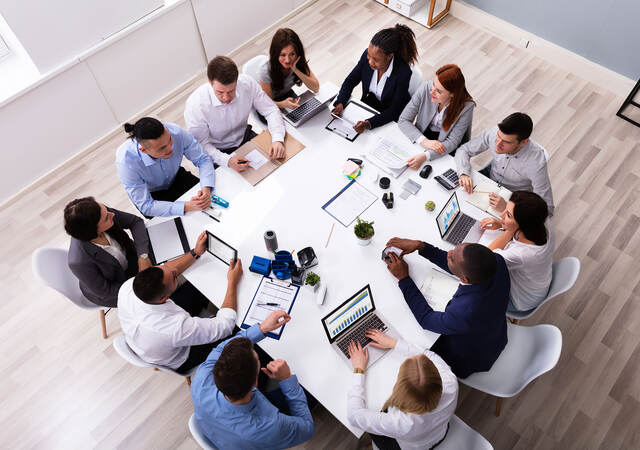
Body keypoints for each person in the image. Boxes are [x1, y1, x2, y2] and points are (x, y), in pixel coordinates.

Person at [384, 238, 510, 378]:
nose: (449, 252)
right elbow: (460, 268)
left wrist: (404, 278)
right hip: (495, 333)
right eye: (455, 249)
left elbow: (426, 319)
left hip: (472, 358)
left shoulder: (465, 312)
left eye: (452, 258)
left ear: (465, 280)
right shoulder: (496, 261)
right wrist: (422, 246)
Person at [117, 231, 242, 372]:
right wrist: (232, 282)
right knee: (238, 329)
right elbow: (225, 326)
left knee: (197, 285)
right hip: (183, 355)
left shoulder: (128, 286)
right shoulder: (174, 328)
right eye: (174, 277)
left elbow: (170, 269)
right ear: (164, 298)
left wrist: (195, 252)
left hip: (150, 339)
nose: (174, 271)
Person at [190, 310, 315, 449]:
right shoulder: (270, 427)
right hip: (257, 428)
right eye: (258, 361)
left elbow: (221, 349)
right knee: (312, 390)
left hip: (223, 428)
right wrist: (287, 380)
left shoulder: (201, 378)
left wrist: (262, 328)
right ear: (255, 383)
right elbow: (307, 428)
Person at [347, 330, 458, 450]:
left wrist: (359, 369)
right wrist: (393, 343)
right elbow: (428, 355)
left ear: (400, 389)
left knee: (374, 429)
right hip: (440, 434)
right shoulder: (450, 382)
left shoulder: (401, 423)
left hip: (410, 446)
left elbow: (354, 416)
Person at [184, 55, 286, 173]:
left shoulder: (247, 83)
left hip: (245, 136)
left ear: (237, 80)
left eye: (231, 91)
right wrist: (227, 160)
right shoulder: (195, 105)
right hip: (217, 150)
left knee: (278, 168)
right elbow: (201, 143)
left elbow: (270, 110)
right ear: (210, 82)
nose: (226, 98)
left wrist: (277, 138)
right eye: (220, 92)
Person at [455, 112, 555, 215]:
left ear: (524, 142)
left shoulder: (536, 162)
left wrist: (507, 207)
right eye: (499, 137)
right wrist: (464, 173)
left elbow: (547, 208)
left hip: (513, 195)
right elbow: (463, 150)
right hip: (490, 177)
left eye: (506, 142)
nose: (497, 144)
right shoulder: (496, 132)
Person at [115, 117, 215, 217]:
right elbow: (146, 206)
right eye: (162, 148)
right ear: (144, 150)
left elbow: (203, 160)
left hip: (177, 177)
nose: (170, 148)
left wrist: (206, 188)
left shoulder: (176, 132)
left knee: (212, 202)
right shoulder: (126, 163)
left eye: (170, 140)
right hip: (153, 195)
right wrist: (187, 206)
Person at [64, 197, 151, 308]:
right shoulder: (78, 262)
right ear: (93, 230)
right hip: (118, 288)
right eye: (106, 218)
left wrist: (143, 256)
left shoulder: (101, 212)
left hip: (134, 261)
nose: (112, 214)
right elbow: (107, 292)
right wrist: (141, 284)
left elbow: (135, 222)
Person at [332, 24, 417, 133]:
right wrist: (340, 103)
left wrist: (369, 123)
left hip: (390, 114)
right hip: (369, 104)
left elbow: (394, 110)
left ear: (389, 56)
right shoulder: (367, 57)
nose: (370, 62)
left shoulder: (403, 73)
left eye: (376, 59)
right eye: (369, 55)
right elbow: (350, 81)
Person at [480, 191, 555, 313]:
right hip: (536, 283)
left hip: (521, 300)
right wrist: (503, 224)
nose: (501, 215)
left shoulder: (521, 254)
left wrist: (508, 229)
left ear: (523, 225)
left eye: (508, 215)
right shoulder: (542, 221)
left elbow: (484, 259)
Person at [399, 64, 475, 167]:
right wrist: (424, 141)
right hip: (421, 135)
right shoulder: (426, 88)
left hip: (446, 146)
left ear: (452, 94)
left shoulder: (466, 107)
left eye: (439, 91)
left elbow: (452, 142)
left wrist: (425, 156)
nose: (432, 91)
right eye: (434, 84)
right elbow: (404, 120)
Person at [258, 28, 319, 111]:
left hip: (286, 95)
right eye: (283, 55)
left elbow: (315, 88)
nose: (287, 60)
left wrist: (296, 70)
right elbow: (266, 103)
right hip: (268, 105)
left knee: (305, 113)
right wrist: (282, 104)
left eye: (292, 54)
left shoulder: (297, 61)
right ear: (275, 54)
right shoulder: (265, 70)